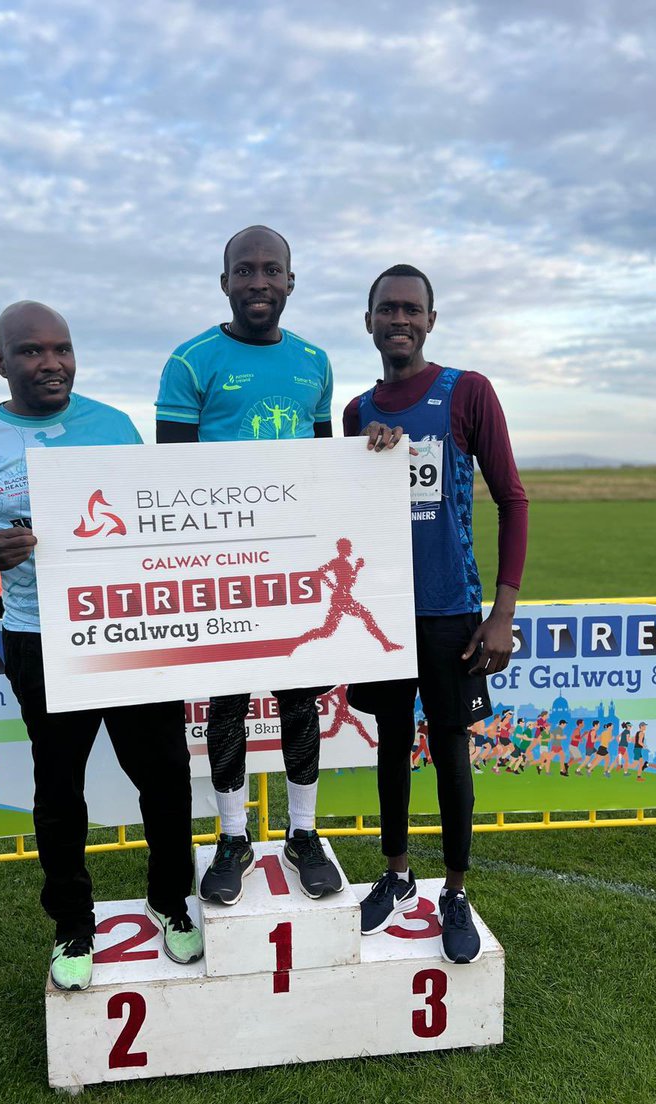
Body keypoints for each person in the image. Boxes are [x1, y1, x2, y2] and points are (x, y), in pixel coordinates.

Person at [0, 301, 202, 989]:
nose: (50, 362)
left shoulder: (112, 426)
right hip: (40, 642)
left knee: (167, 779)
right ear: (2, 363)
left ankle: (170, 900)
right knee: (60, 793)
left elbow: (152, 517)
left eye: (62, 348)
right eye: (30, 351)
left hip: (129, 633)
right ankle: (72, 926)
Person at [156, 226, 403, 905]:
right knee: (228, 702)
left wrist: (371, 454)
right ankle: (232, 837)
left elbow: (322, 466)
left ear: (291, 281)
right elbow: (169, 478)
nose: (258, 282)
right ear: (225, 281)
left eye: (271, 270)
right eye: (245, 270)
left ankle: (302, 832)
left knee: (299, 699)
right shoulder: (190, 361)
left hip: (296, 563)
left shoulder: (314, 363)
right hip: (225, 567)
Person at [345, 264, 528, 959]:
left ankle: (454, 888)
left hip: (452, 611)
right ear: (368, 322)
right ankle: (396, 875)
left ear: (430, 320)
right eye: (386, 309)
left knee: (450, 747)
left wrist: (502, 612)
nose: (399, 319)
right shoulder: (358, 412)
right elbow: (352, 505)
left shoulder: (467, 392)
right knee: (391, 744)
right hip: (384, 612)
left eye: (411, 309)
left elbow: (512, 498)